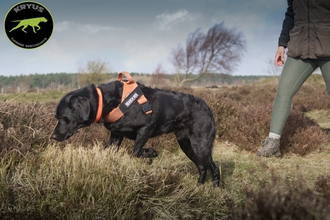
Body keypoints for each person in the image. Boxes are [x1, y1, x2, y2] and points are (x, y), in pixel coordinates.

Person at [257, 0, 330, 157]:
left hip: (328, 45)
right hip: (300, 47)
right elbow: (291, 14)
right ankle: (273, 142)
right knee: (284, 91)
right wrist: (282, 45)